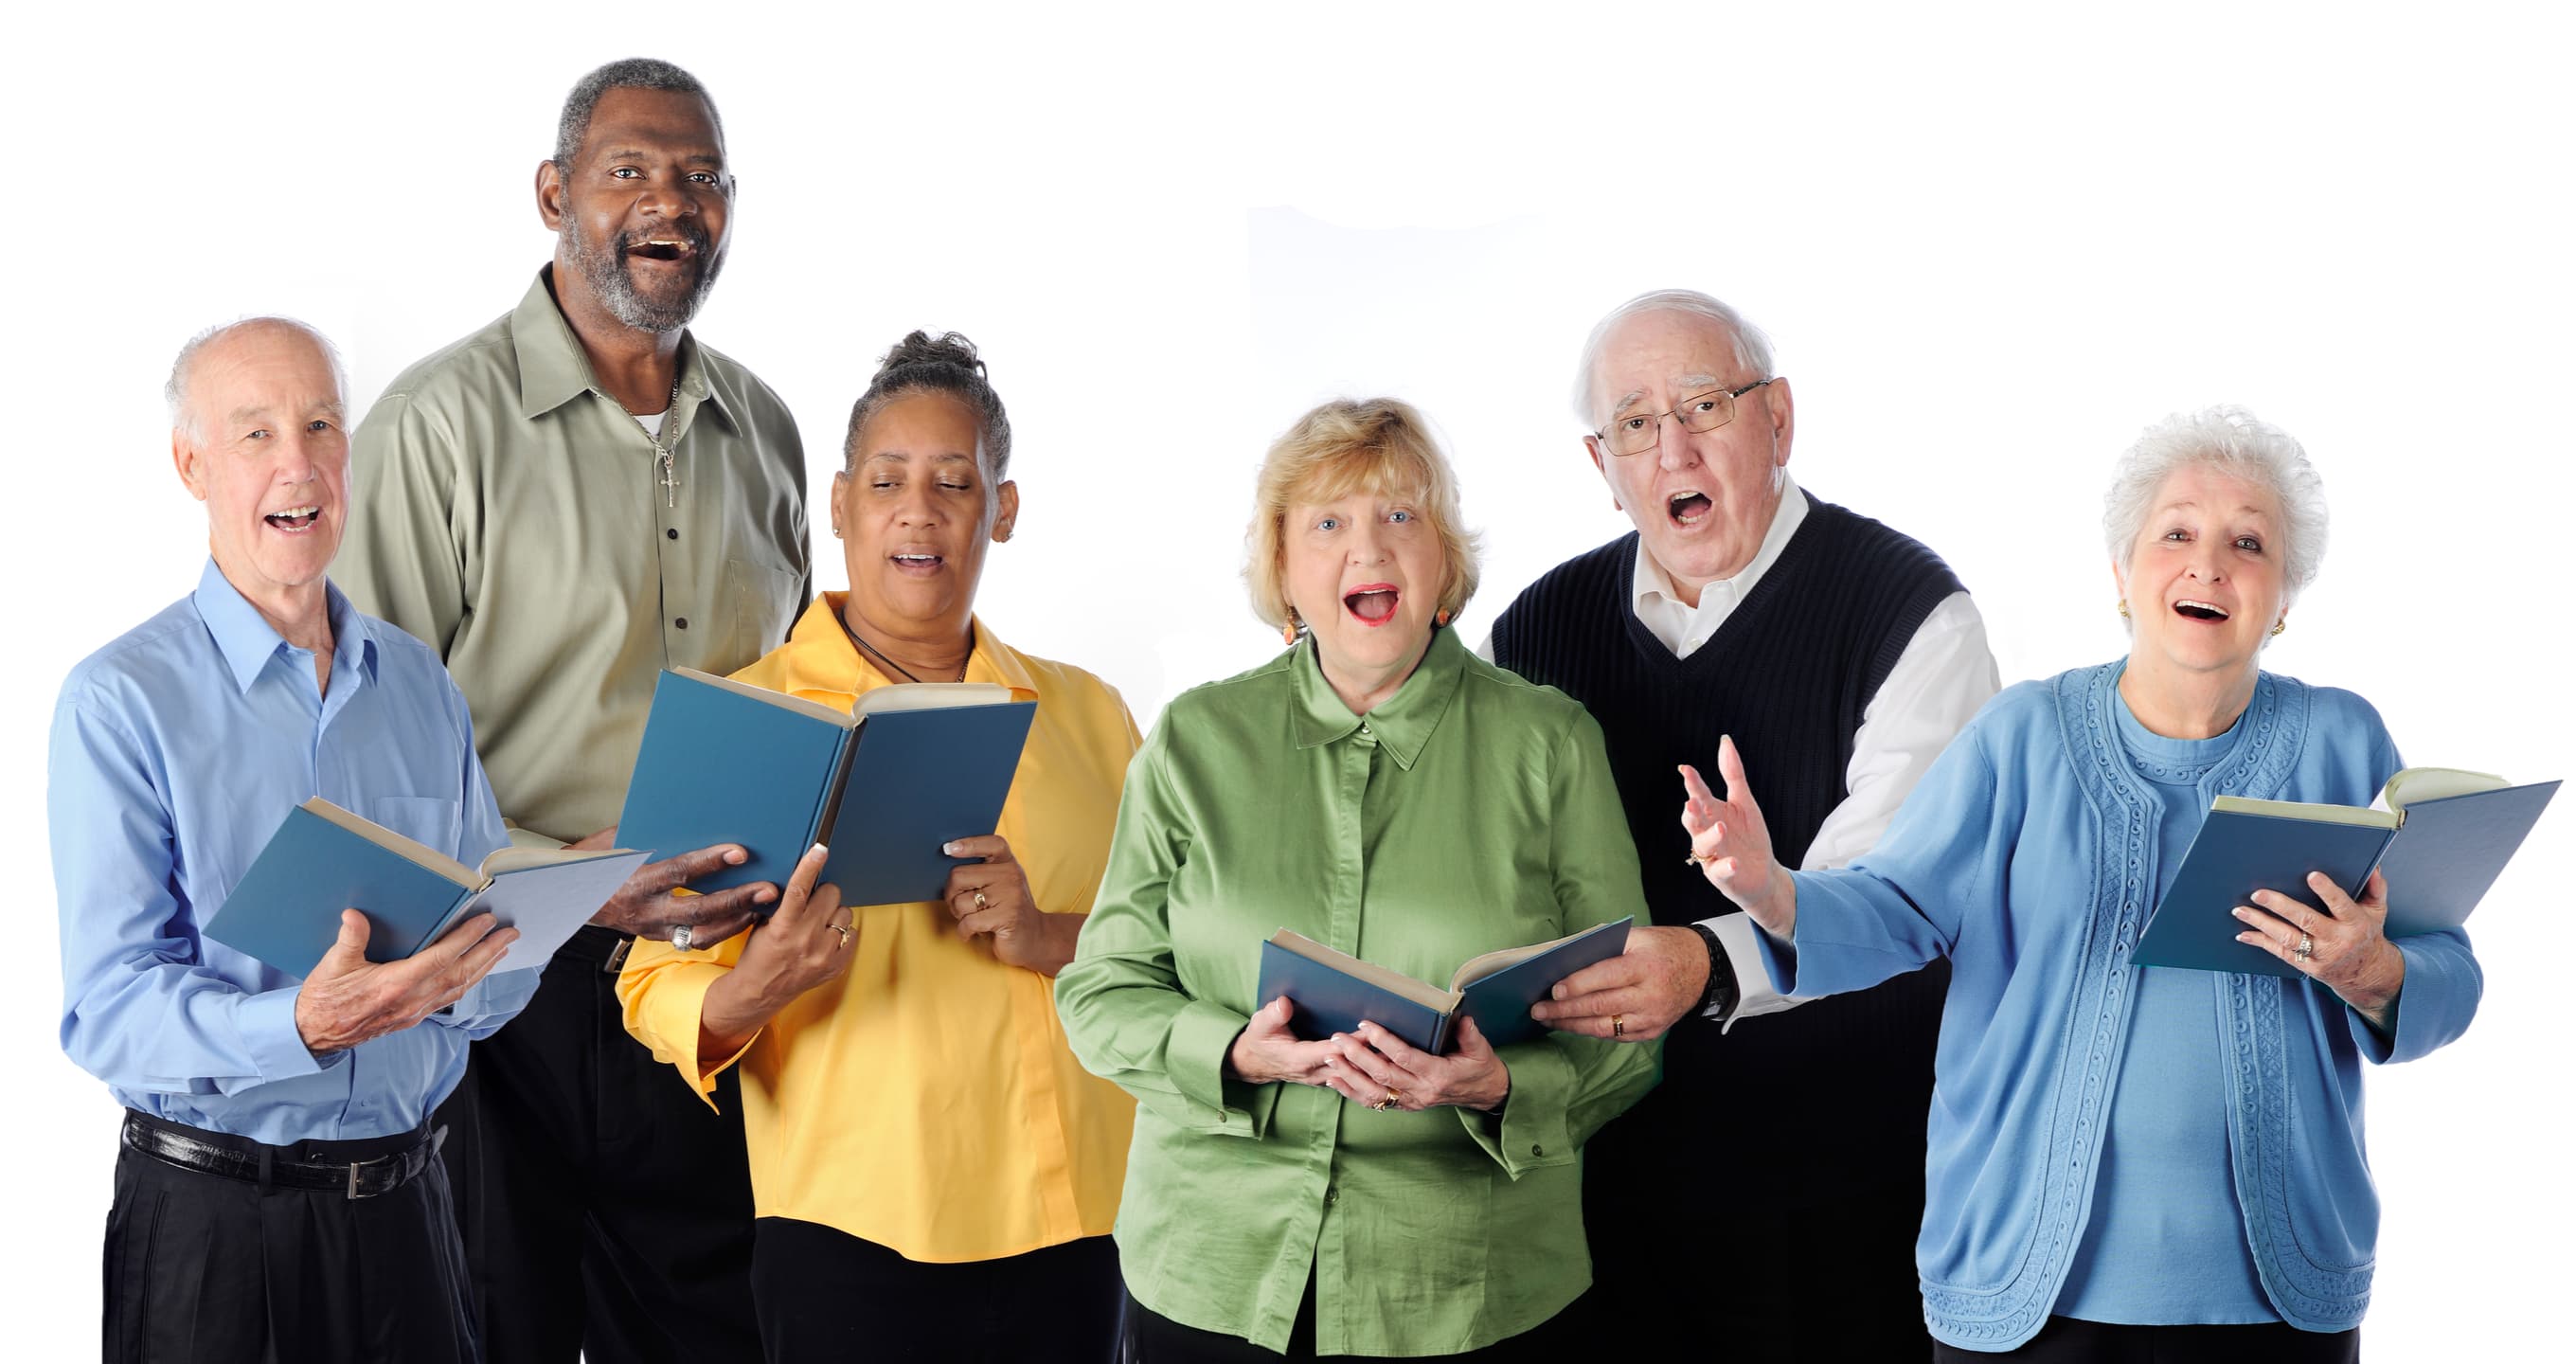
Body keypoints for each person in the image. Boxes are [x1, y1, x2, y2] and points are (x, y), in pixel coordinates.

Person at [1688, 406, 2480, 1360]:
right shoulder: (2021, 736)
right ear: (2120, 574)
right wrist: (1770, 889)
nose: (2207, 566)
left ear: (2282, 598)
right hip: (2030, 1299)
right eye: (2175, 533)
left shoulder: (2341, 741)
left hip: (2279, 1305)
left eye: (2247, 543)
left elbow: (2446, 968)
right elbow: (1892, 908)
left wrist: (2375, 973)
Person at [339, 58, 808, 1363]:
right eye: (631, 170)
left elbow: (795, 692)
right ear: (554, 195)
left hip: (708, 990)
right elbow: (356, 759)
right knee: (497, 1330)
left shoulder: (765, 434)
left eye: (703, 177)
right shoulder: (435, 428)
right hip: (499, 988)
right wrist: (576, 885)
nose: (674, 202)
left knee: (719, 1338)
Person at [1057, 398, 1660, 1360]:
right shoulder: (1193, 741)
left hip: (1467, 1285)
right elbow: (1101, 992)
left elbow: (1632, 1024)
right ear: (1283, 569)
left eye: (1399, 516)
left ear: (1443, 561)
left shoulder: (1551, 744)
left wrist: (1500, 1084)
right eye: (1328, 522)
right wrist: (1234, 1054)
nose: (1366, 548)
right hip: (1211, 1269)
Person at [618, 332, 1140, 1362]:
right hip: (847, 1228)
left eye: (955, 482)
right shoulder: (747, 720)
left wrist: (1047, 934)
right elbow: (650, 987)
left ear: (1002, 509)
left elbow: (1169, 945)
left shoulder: (1089, 715)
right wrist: (757, 985)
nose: (919, 510)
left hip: (1076, 1217)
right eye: (888, 480)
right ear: (840, 503)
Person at [1496, 288, 1997, 1356]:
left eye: (1704, 406)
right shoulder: (1532, 632)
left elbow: (1898, 900)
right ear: (1601, 465)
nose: (1672, 448)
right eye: (1635, 423)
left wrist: (1706, 963)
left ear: (1776, 418)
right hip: (1598, 1193)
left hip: (1847, 1194)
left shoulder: (1911, 612)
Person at [53, 318, 536, 1362]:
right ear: (192, 466)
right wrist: (302, 1026)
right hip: (217, 1234)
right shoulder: (119, 701)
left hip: (411, 1214)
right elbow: (109, 1011)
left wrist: (479, 967)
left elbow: (491, 950)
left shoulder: (420, 685)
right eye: (256, 434)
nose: (299, 464)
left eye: (321, 426)